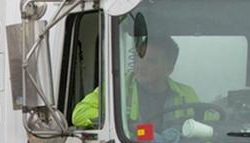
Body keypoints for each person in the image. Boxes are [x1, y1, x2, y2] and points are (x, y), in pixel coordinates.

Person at [71, 35, 199, 129]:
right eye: (139, 57)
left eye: (150, 61)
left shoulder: (187, 94)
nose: (140, 65)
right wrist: (117, 121)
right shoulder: (118, 87)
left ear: (169, 69)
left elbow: (212, 123)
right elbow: (79, 113)